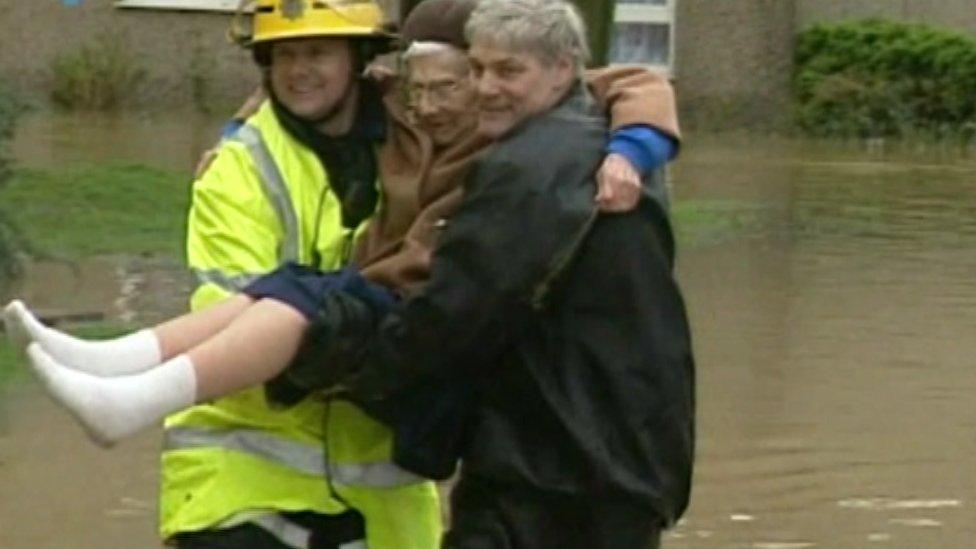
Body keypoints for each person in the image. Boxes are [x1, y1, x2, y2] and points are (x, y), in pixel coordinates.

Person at [7, 1, 682, 547]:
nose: (470, 92)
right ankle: (120, 363)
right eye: (286, 56)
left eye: (319, 53)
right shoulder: (375, 114)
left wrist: (635, 144)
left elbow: (631, 83)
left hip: (403, 397)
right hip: (257, 482)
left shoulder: (525, 139)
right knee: (281, 292)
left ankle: (129, 388)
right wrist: (248, 114)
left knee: (297, 294)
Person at [280, 0, 696, 546]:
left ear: (563, 71)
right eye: (476, 69)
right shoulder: (603, 137)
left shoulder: (532, 165)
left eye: (509, 72)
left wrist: (331, 366)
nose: (486, 87)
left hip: (555, 466)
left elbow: (457, 311)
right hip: (625, 454)